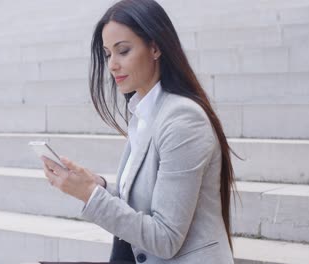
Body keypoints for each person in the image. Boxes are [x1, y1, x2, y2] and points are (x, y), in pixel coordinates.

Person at [41, 0, 237, 263]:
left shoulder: (182, 120)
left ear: (155, 47)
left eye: (123, 51)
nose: (112, 65)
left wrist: (89, 194)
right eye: (108, 53)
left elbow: (165, 239)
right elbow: (139, 210)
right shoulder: (144, 113)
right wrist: (96, 186)